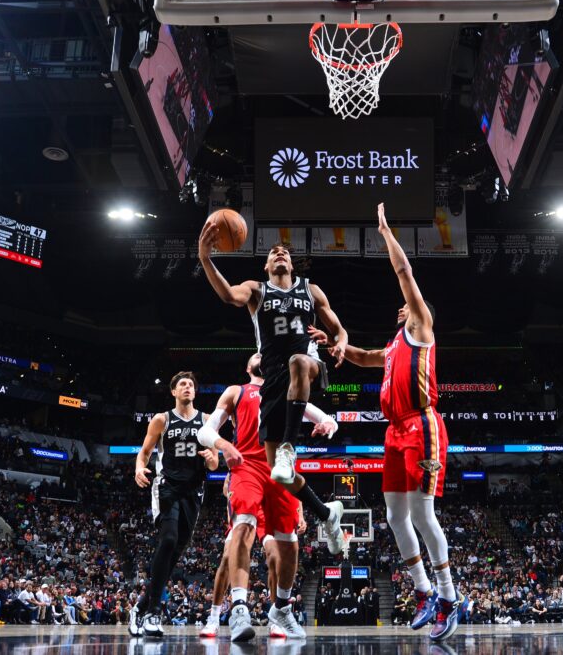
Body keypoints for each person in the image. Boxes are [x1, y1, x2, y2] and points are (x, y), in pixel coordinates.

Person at [309, 204, 465, 641]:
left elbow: (404, 273)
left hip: (422, 425)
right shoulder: (396, 345)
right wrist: (336, 344)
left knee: (422, 513)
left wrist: (385, 233)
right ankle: (423, 591)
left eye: (408, 304)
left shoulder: (422, 328)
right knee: (395, 516)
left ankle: (449, 596)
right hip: (394, 431)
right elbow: (363, 357)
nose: (402, 305)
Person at [198, 225, 349, 552]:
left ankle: (289, 447)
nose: (280, 253)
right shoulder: (256, 289)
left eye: (285, 252)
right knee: (280, 475)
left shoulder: (311, 290)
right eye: (273, 253)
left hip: (307, 366)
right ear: (267, 266)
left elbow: (340, 330)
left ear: (291, 264)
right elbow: (228, 296)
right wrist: (205, 258)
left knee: (298, 362)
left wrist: (339, 343)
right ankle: (327, 514)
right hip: (274, 383)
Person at [196, 353, 333, 641]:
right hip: (246, 466)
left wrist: (328, 424)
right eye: (255, 354)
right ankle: (238, 609)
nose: (261, 354)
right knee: (242, 528)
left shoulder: (284, 389)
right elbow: (205, 431)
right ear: (248, 367)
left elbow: (322, 416)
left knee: (288, 545)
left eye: (264, 353)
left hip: (279, 469)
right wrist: (224, 445)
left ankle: (281, 608)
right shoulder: (236, 391)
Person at [130, 371, 219, 639]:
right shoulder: (162, 419)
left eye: (191, 384)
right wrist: (139, 468)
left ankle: (140, 607)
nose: (187, 387)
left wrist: (210, 458)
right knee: (168, 540)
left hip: (194, 490)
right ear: (173, 391)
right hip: (167, 486)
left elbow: (215, 463)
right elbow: (144, 453)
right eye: (182, 384)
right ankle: (153, 612)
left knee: (176, 551)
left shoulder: (207, 420)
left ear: (195, 391)